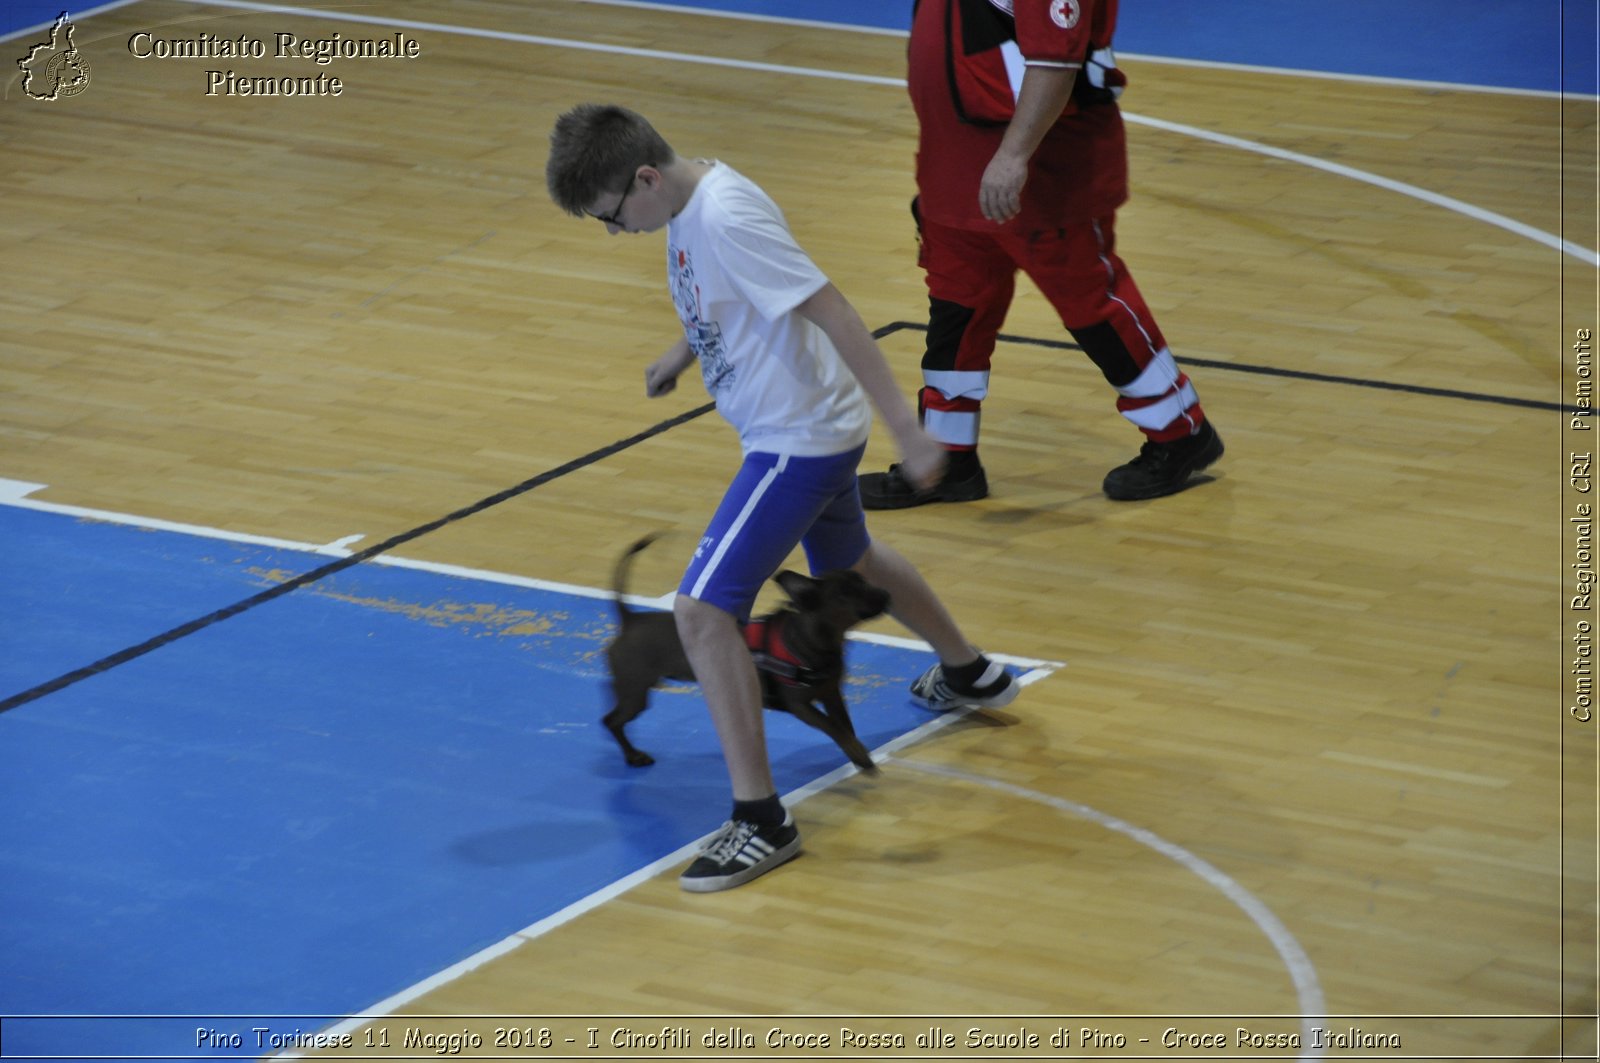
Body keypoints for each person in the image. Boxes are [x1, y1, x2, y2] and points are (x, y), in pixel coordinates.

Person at [546, 104, 1019, 893]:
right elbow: (724, 304)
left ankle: (761, 819)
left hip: (794, 440)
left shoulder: (724, 217)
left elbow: (831, 310)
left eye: (613, 217)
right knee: (853, 559)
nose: (616, 232)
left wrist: (910, 431)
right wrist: (680, 354)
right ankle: (968, 672)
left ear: (645, 178)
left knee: (700, 612)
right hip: (811, 424)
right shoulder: (690, 201)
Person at [857, 0, 1223, 507]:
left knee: (1093, 306)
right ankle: (947, 458)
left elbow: (1055, 63)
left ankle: (1181, 433)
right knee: (955, 313)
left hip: (1042, 173)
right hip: (955, 167)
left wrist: (1012, 156)